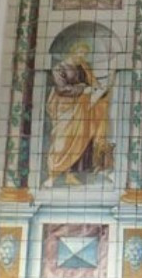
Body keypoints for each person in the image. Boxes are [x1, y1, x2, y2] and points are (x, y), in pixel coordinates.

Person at [44, 42, 115, 187]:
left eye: (84, 54)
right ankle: (53, 174)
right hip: (64, 108)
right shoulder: (59, 68)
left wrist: (99, 90)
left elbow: (93, 84)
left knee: (81, 140)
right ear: (73, 51)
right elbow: (61, 89)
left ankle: (70, 174)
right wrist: (82, 90)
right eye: (80, 52)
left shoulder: (83, 67)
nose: (82, 56)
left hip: (82, 108)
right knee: (62, 141)